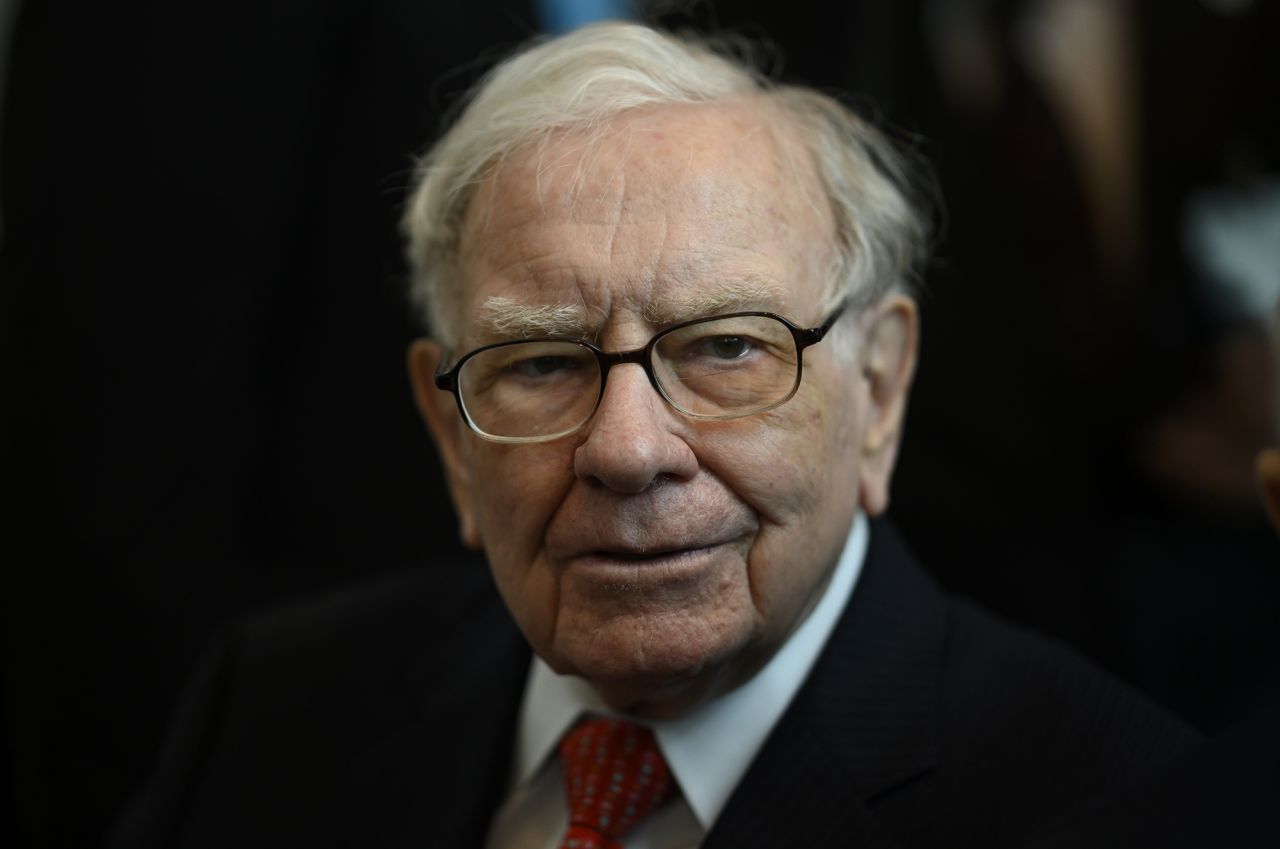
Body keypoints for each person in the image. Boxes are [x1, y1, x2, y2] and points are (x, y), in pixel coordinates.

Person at [112, 22, 1197, 849]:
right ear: (448, 434)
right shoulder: (271, 711)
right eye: (539, 364)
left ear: (879, 391)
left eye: (725, 349)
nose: (628, 452)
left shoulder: (1119, 805)